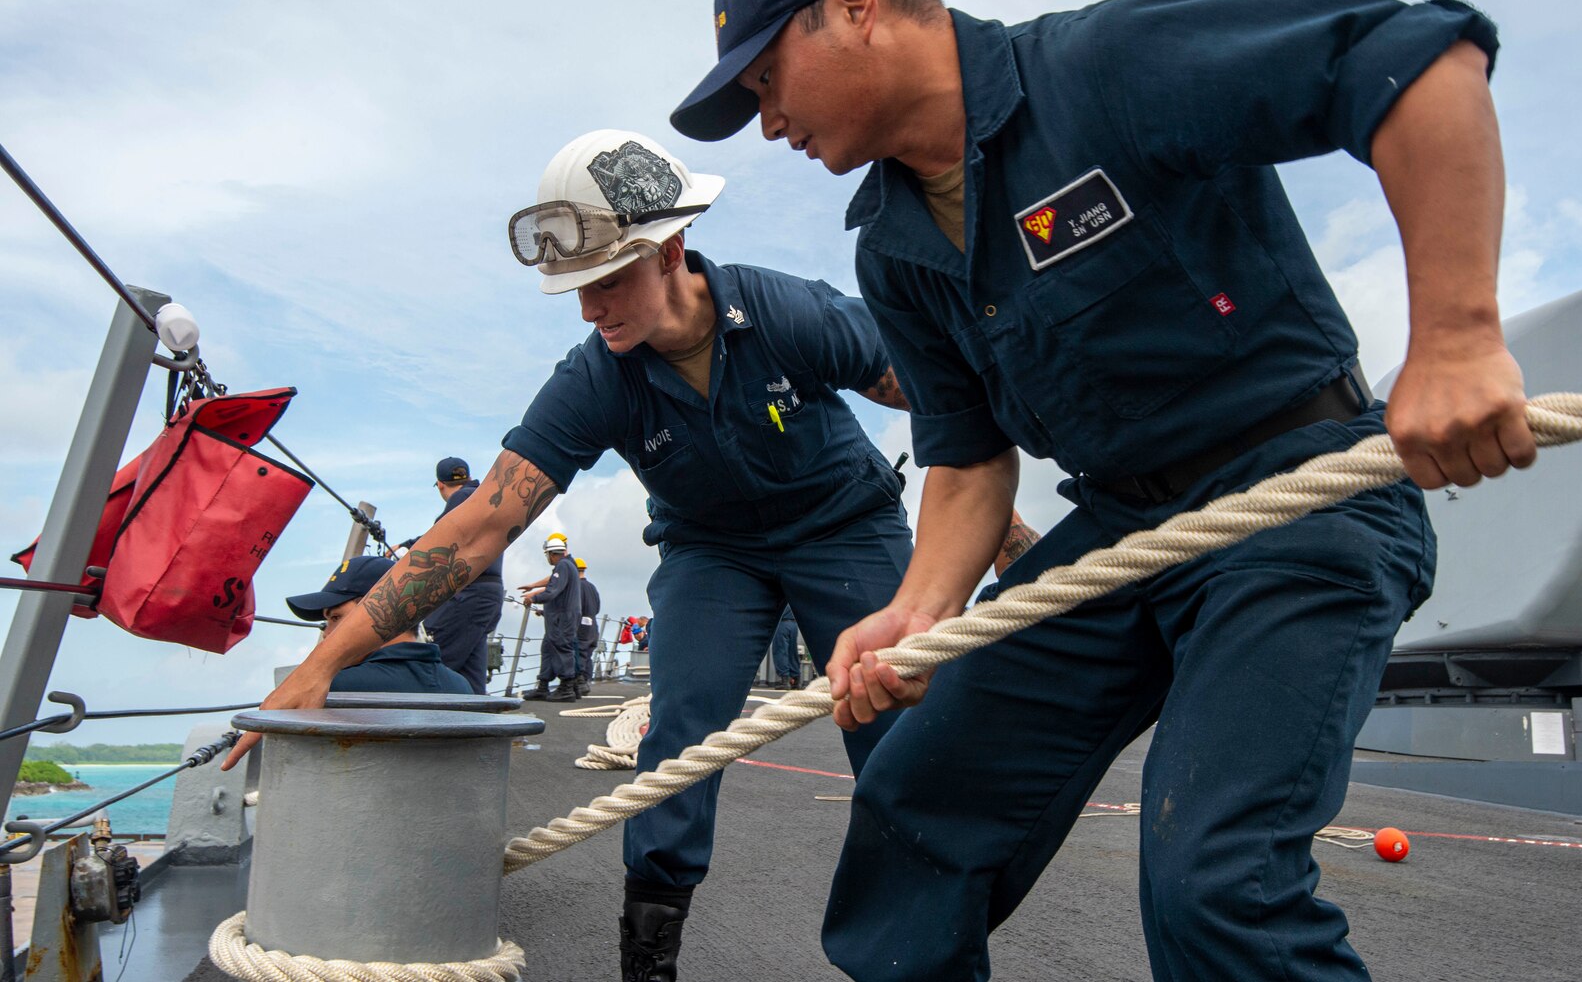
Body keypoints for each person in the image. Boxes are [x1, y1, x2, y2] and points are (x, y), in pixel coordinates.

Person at [672, 0, 1535, 980]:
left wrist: (1454, 336)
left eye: (765, 84)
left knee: (1217, 882)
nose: (768, 125)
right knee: (911, 807)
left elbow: (1414, 63)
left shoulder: (1107, 65)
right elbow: (972, 453)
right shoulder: (892, 250)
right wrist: (918, 613)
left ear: (854, 5)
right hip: (1124, 526)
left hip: (1302, 494)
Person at [228, 128, 1042, 982]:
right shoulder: (594, 378)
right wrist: (327, 659)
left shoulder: (787, 312)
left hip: (847, 526)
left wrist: (1004, 532)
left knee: (901, 731)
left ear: (672, 250)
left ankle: (926, 957)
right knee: (680, 733)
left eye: (609, 281)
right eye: (576, 289)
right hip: (710, 552)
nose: (590, 310)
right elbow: (475, 528)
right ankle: (647, 962)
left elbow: (945, 395)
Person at [286, 555, 474, 695]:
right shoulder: (461, 688)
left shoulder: (334, 687)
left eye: (336, 618)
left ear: (380, 611)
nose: (326, 633)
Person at [400, 457, 506, 694]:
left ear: (439, 484)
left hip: (465, 594)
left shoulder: (461, 498)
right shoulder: (482, 498)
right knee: (470, 674)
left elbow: (442, 540)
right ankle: (476, 726)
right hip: (487, 595)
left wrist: (407, 550)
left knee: (431, 666)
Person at [518, 532, 582, 702]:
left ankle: (566, 687)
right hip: (558, 617)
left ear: (552, 554)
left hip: (563, 618)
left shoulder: (563, 566)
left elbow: (553, 590)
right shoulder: (568, 566)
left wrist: (533, 598)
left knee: (563, 648)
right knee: (548, 648)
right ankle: (543, 685)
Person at [575, 556, 601, 695]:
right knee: (588, 654)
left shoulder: (576, 587)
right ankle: (585, 681)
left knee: (580, 653)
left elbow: (573, 608)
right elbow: (597, 608)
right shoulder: (592, 587)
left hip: (581, 627)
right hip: (593, 627)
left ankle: (580, 682)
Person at [770, 605, 800, 690]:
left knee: (780, 651)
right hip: (794, 623)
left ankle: (785, 681)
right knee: (792, 651)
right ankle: (796, 680)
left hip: (782, 623)